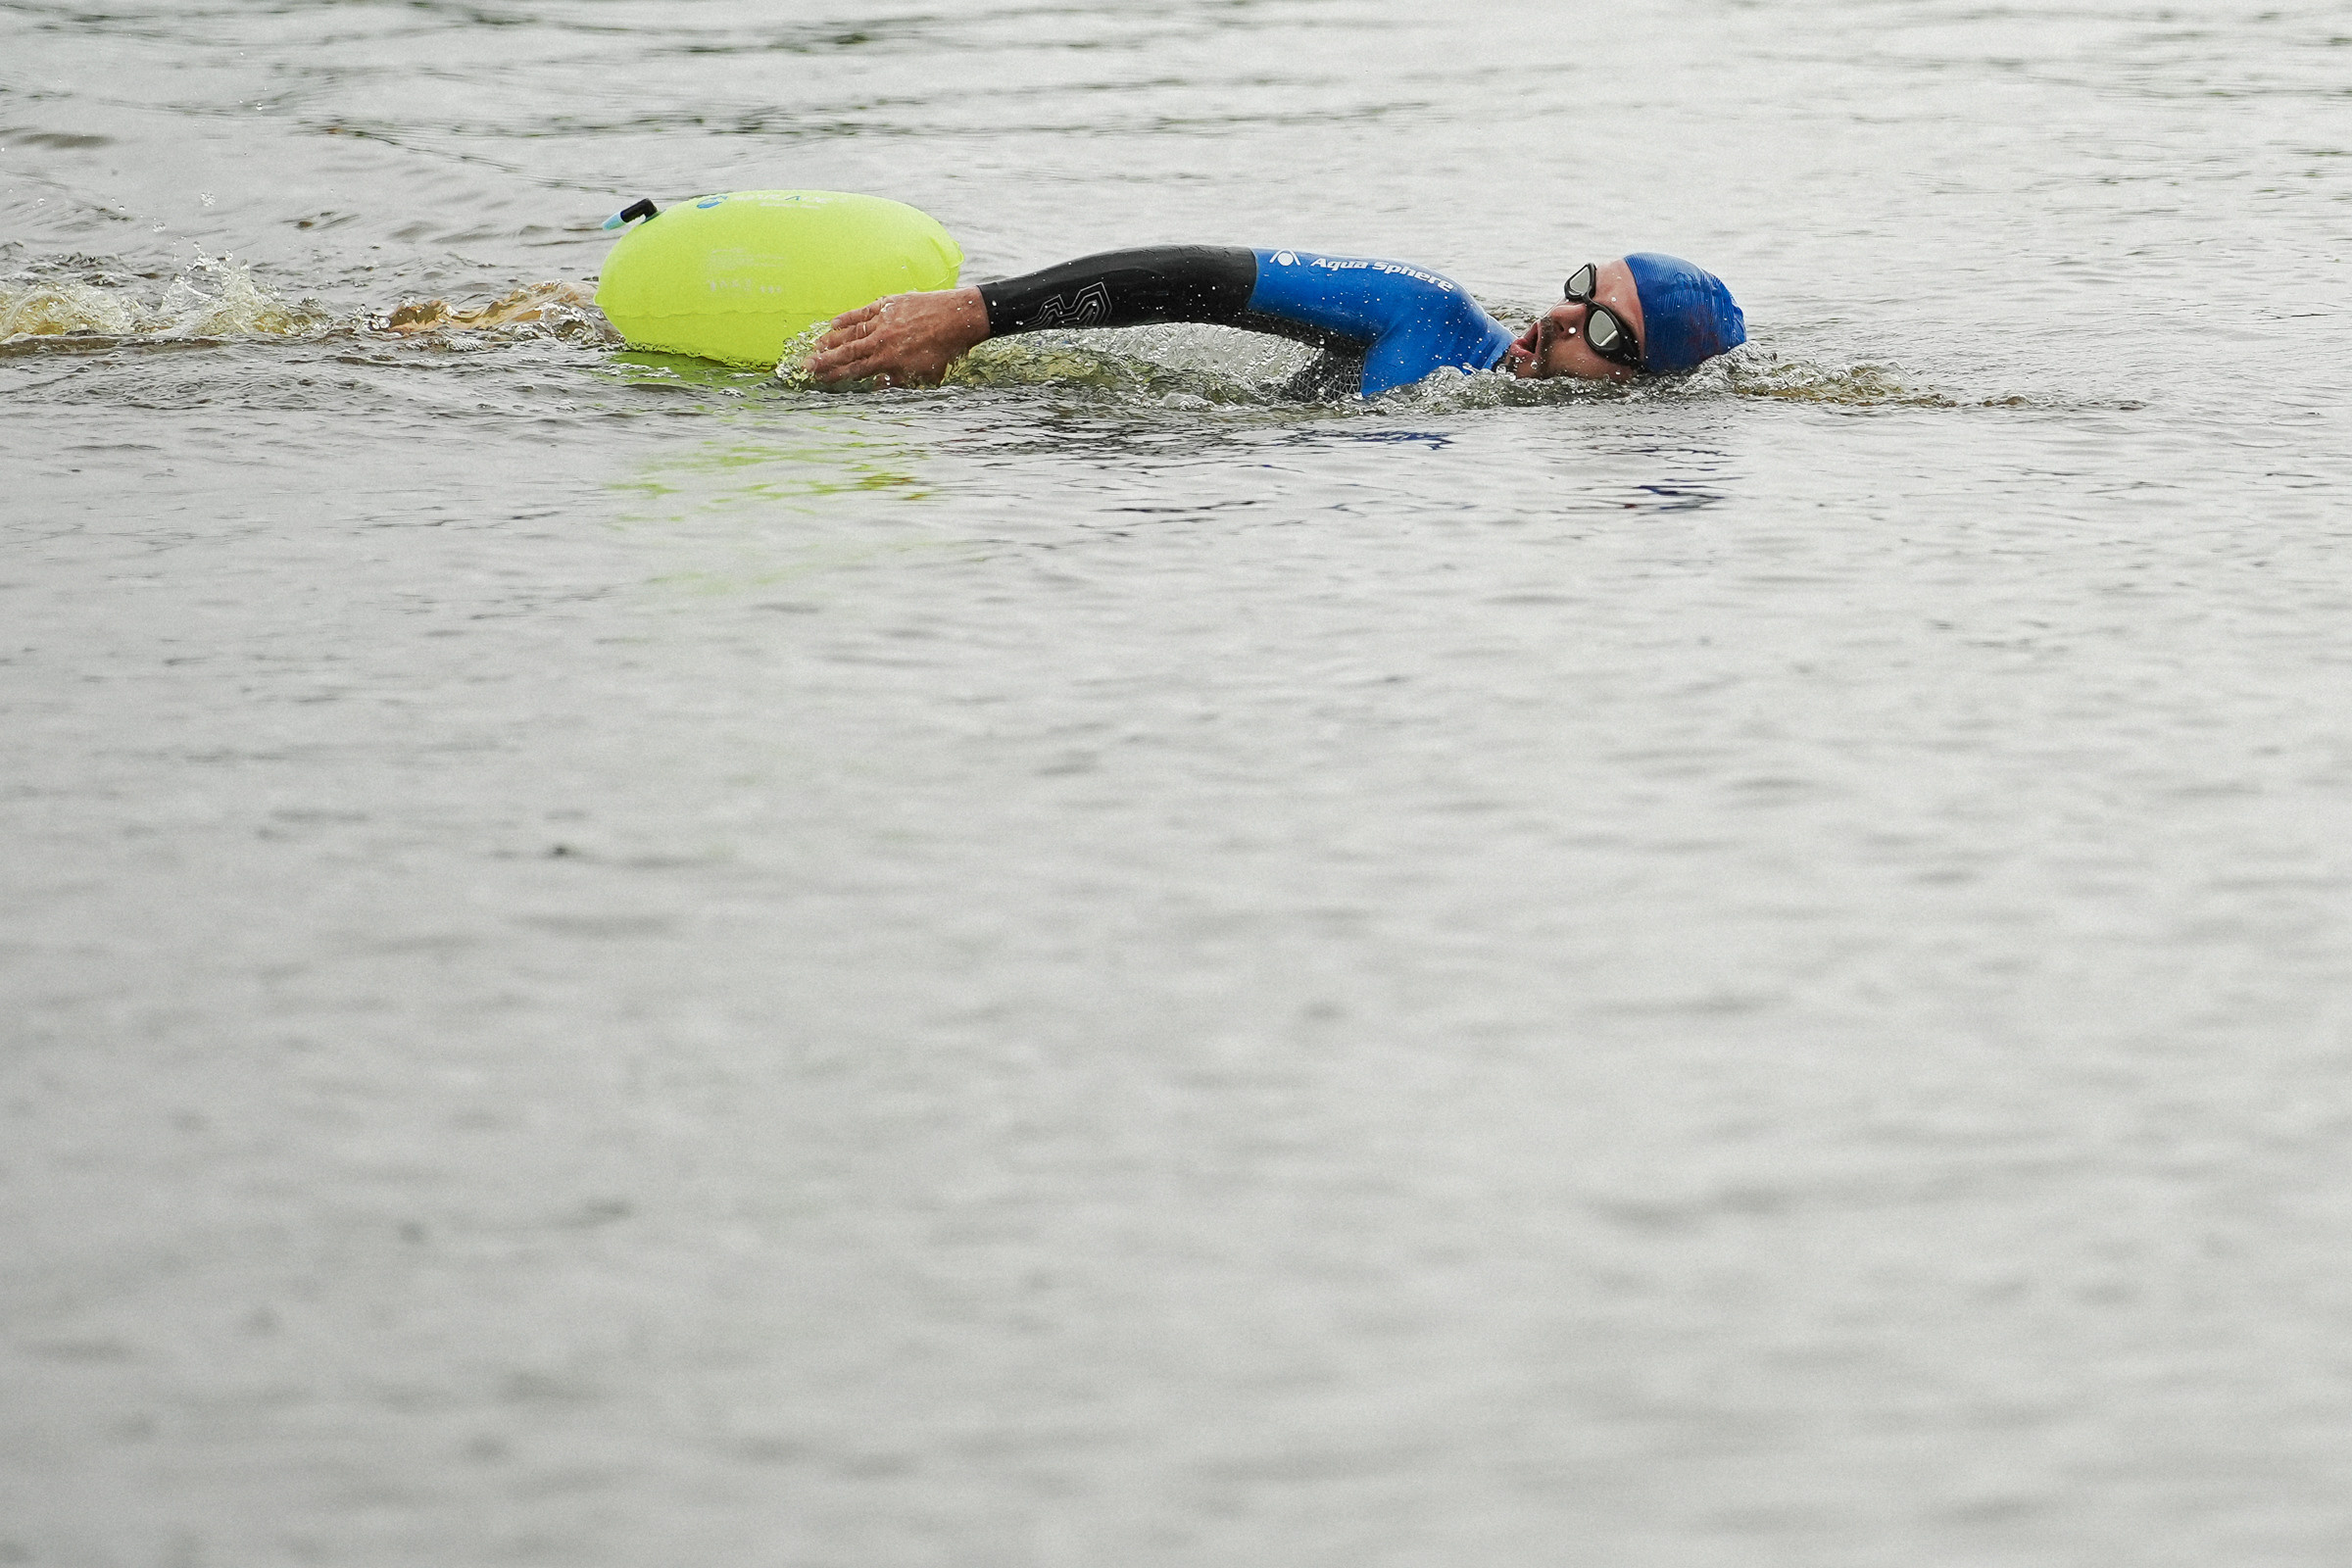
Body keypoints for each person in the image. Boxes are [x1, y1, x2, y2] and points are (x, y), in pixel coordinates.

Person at [806, 245, 1744, 396]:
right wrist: (975, 313)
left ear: (1645, 390)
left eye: (1606, 332)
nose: (1559, 317)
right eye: (1581, 286)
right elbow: (1207, 278)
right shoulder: (1431, 317)